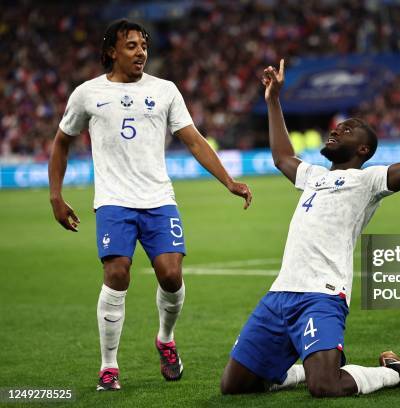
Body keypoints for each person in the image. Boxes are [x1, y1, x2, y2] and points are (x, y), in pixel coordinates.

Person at [220, 59, 400, 397]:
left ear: (363, 149)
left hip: (321, 295)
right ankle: (301, 370)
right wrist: (273, 99)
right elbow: (281, 157)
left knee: (326, 386)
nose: (336, 129)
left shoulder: (368, 180)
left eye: (347, 129)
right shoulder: (314, 176)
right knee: (234, 386)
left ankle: (391, 374)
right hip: (280, 294)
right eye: (337, 127)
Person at [48, 19, 252, 391]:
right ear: (112, 51)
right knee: (117, 273)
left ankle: (165, 339)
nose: (140, 51)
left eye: (143, 45)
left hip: (158, 199)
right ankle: (109, 367)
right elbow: (62, 141)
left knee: (172, 276)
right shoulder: (87, 94)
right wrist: (56, 196)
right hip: (113, 202)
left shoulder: (165, 90)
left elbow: (193, 140)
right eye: (131, 45)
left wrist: (228, 181)